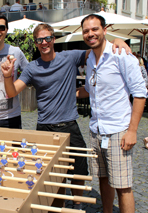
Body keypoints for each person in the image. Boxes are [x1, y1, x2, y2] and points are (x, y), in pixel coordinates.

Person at [1, 23, 130, 210]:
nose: (44, 42)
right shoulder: (32, 68)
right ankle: (57, 206)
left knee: (79, 170)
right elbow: (12, 92)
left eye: (47, 38)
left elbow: (95, 49)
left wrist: (115, 41)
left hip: (69, 126)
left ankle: (77, 205)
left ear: (53, 39)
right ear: (36, 43)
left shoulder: (69, 57)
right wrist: (7, 76)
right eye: (39, 40)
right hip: (45, 128)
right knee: (52, 175)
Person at [77, 14, 146, 213]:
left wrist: (132, 131)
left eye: (95, 29)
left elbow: (140, 94)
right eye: (86, 31)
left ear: (105, 30)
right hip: (96, 130)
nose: (91, 34)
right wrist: (65, 94)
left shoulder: (121, 54)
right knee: (103, 179)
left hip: (118, 130)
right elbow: (90, 90)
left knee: (123, 186)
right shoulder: (90, 58)